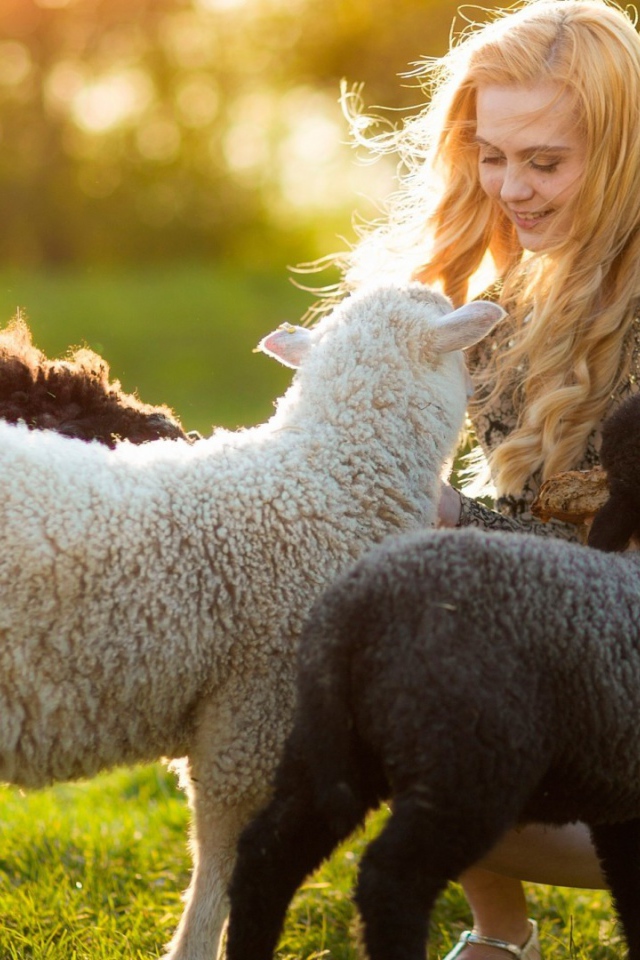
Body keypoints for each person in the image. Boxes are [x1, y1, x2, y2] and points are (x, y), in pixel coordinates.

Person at [334, 1, 640, 958]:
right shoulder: (511, 304)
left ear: (626, 149)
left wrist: (453, 521)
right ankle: (500, 936)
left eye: (545, 161)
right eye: (492, 156)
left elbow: (621, 589)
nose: (512, 188)